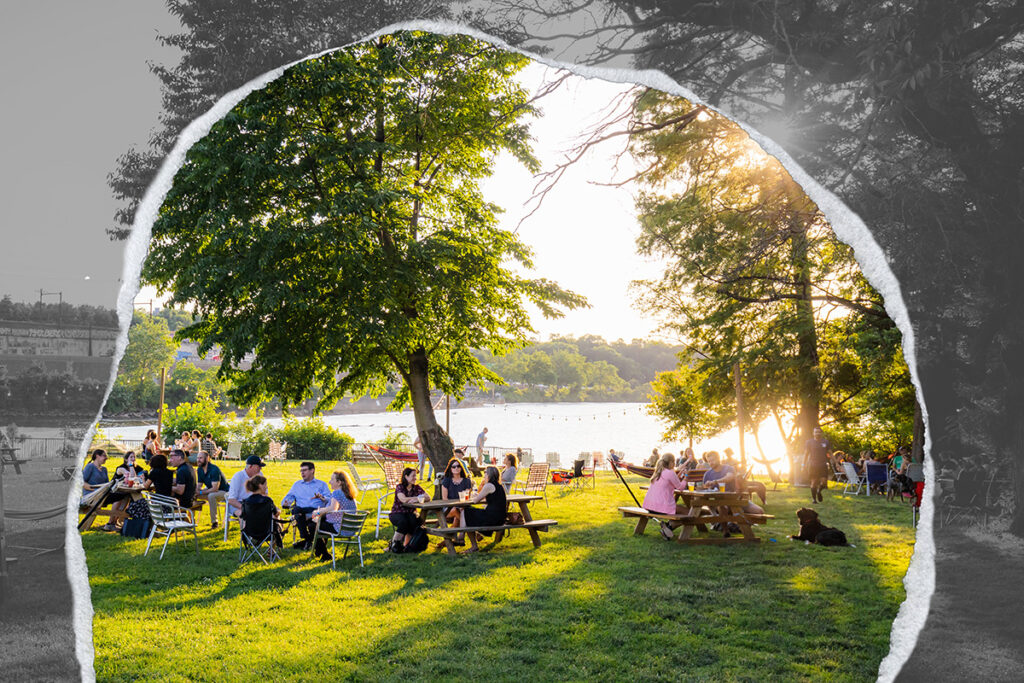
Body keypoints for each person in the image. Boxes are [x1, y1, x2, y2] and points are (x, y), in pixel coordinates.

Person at [310, 469, 359, 562]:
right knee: (320, 523)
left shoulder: (337, 492)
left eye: (332, 479)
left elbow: (333, 509)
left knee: (312, 525)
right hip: (351, 528)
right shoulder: (349, 494)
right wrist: (324, 501)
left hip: (340, 528)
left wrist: (317, 512)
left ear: (339, 482)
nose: (329, 481)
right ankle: (320, 551)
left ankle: (324, 554)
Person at [281, 461, 331, 550]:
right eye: (301, 471)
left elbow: (329, 499)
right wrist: (286, 503)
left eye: (304, 470)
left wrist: (322, 497)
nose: (302, 473)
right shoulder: (297, 484)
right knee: (296, 510)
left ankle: (307, 540)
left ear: (312, 470)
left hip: (317, 511)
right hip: (301, 512)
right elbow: (288, 498)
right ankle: (307, 539)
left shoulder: (321, 484)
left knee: (303, 516)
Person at [456, 466, 507, 553]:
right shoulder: (499, 486)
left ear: (490, 474)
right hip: (500, 518)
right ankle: (463, 537)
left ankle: (463, 538)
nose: (484, 474)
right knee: (468, 513)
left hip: (492, 519)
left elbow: (475, 501)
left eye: (486, 472)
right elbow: (491, 499)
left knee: (465, 511)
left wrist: (474, 496)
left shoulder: (488, 485)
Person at [642, 452, 688, 540]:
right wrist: (686, 477)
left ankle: (668, 527)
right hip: (661, 507)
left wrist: (678, 474)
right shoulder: (670, 473)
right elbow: (680, 487)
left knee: (683, 512)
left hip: (650, 507)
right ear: (670, 462)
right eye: (674, 462)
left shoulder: (658, 471)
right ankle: (669, 526)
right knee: (689, 513)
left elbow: (672, 482)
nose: (674, 464)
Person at [388, 467, 429, 553]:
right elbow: (403, 499)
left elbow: (428, 497)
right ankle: (393, 545)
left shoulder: (416, 487)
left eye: (415, 476)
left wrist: (416, 499)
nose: (415, 478)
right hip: (397, 512)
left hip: (410, 512)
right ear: (406, 476)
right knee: (404, 522)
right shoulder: (400, 487)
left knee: (414, 521)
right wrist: (417, 497)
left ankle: (407, 545)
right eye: (413, 476)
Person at [240, 475, 283, 549]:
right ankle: (272, 549)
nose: (266, 487)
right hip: (267, 532)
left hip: (250, 533)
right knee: (278, 519)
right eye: (265, 485)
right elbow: (275, 514)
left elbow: (243, 517)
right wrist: (279, 511)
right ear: (260, 485)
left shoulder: (245, 502)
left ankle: (261, 544)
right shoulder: (267, 501)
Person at [227, 455, 265, 527]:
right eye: (259, 466)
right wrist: (246, 508)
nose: (261, 468)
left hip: (254, 503)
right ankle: (247, 537)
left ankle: (273, 536)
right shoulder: (238, 476)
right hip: (238, 504)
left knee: (271, 514)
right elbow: (231, 500)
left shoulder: (260, 475)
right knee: (244, 515)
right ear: (250, 466)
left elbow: (264, 494)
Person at [195, 450, 230, 529]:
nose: (198, 460)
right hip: (211, 489)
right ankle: (190, 521)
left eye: (200, 458)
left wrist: (200, 492)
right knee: (193, 495)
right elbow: (199, 485)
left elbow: (215, 488)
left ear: (207, 458)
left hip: (225, 492)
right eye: (197, 458)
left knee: (211, 496)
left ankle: (214, 522)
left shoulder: (214, 469)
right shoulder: (200, 469)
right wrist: (196, 491)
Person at [802, 427, 831, 504]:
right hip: (813, 465)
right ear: (813, 433)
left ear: (821, 433)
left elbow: (830, 453)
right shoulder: (809, 442)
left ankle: (819, 491)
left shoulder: (826, 442)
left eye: (819, 432)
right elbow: (806, 454)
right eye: (816, 432)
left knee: (824, 482)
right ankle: (814, 499)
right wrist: (803, 464)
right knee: (814, 482)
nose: (817, 433)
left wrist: (837, 463)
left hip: (823, 464)